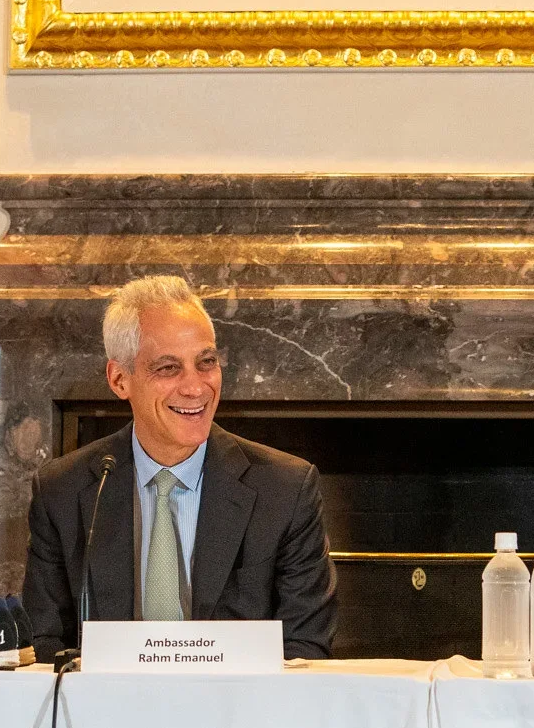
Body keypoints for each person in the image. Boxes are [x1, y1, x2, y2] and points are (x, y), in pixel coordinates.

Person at [23, 275, 337, 661]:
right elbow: (46, 647)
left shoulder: (286, 490)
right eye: (168, 368)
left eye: (206, 363)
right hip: (107, 715)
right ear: (120, 379)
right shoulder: (62, 491)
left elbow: (305, 652)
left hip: (241, 715)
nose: (195, 387)